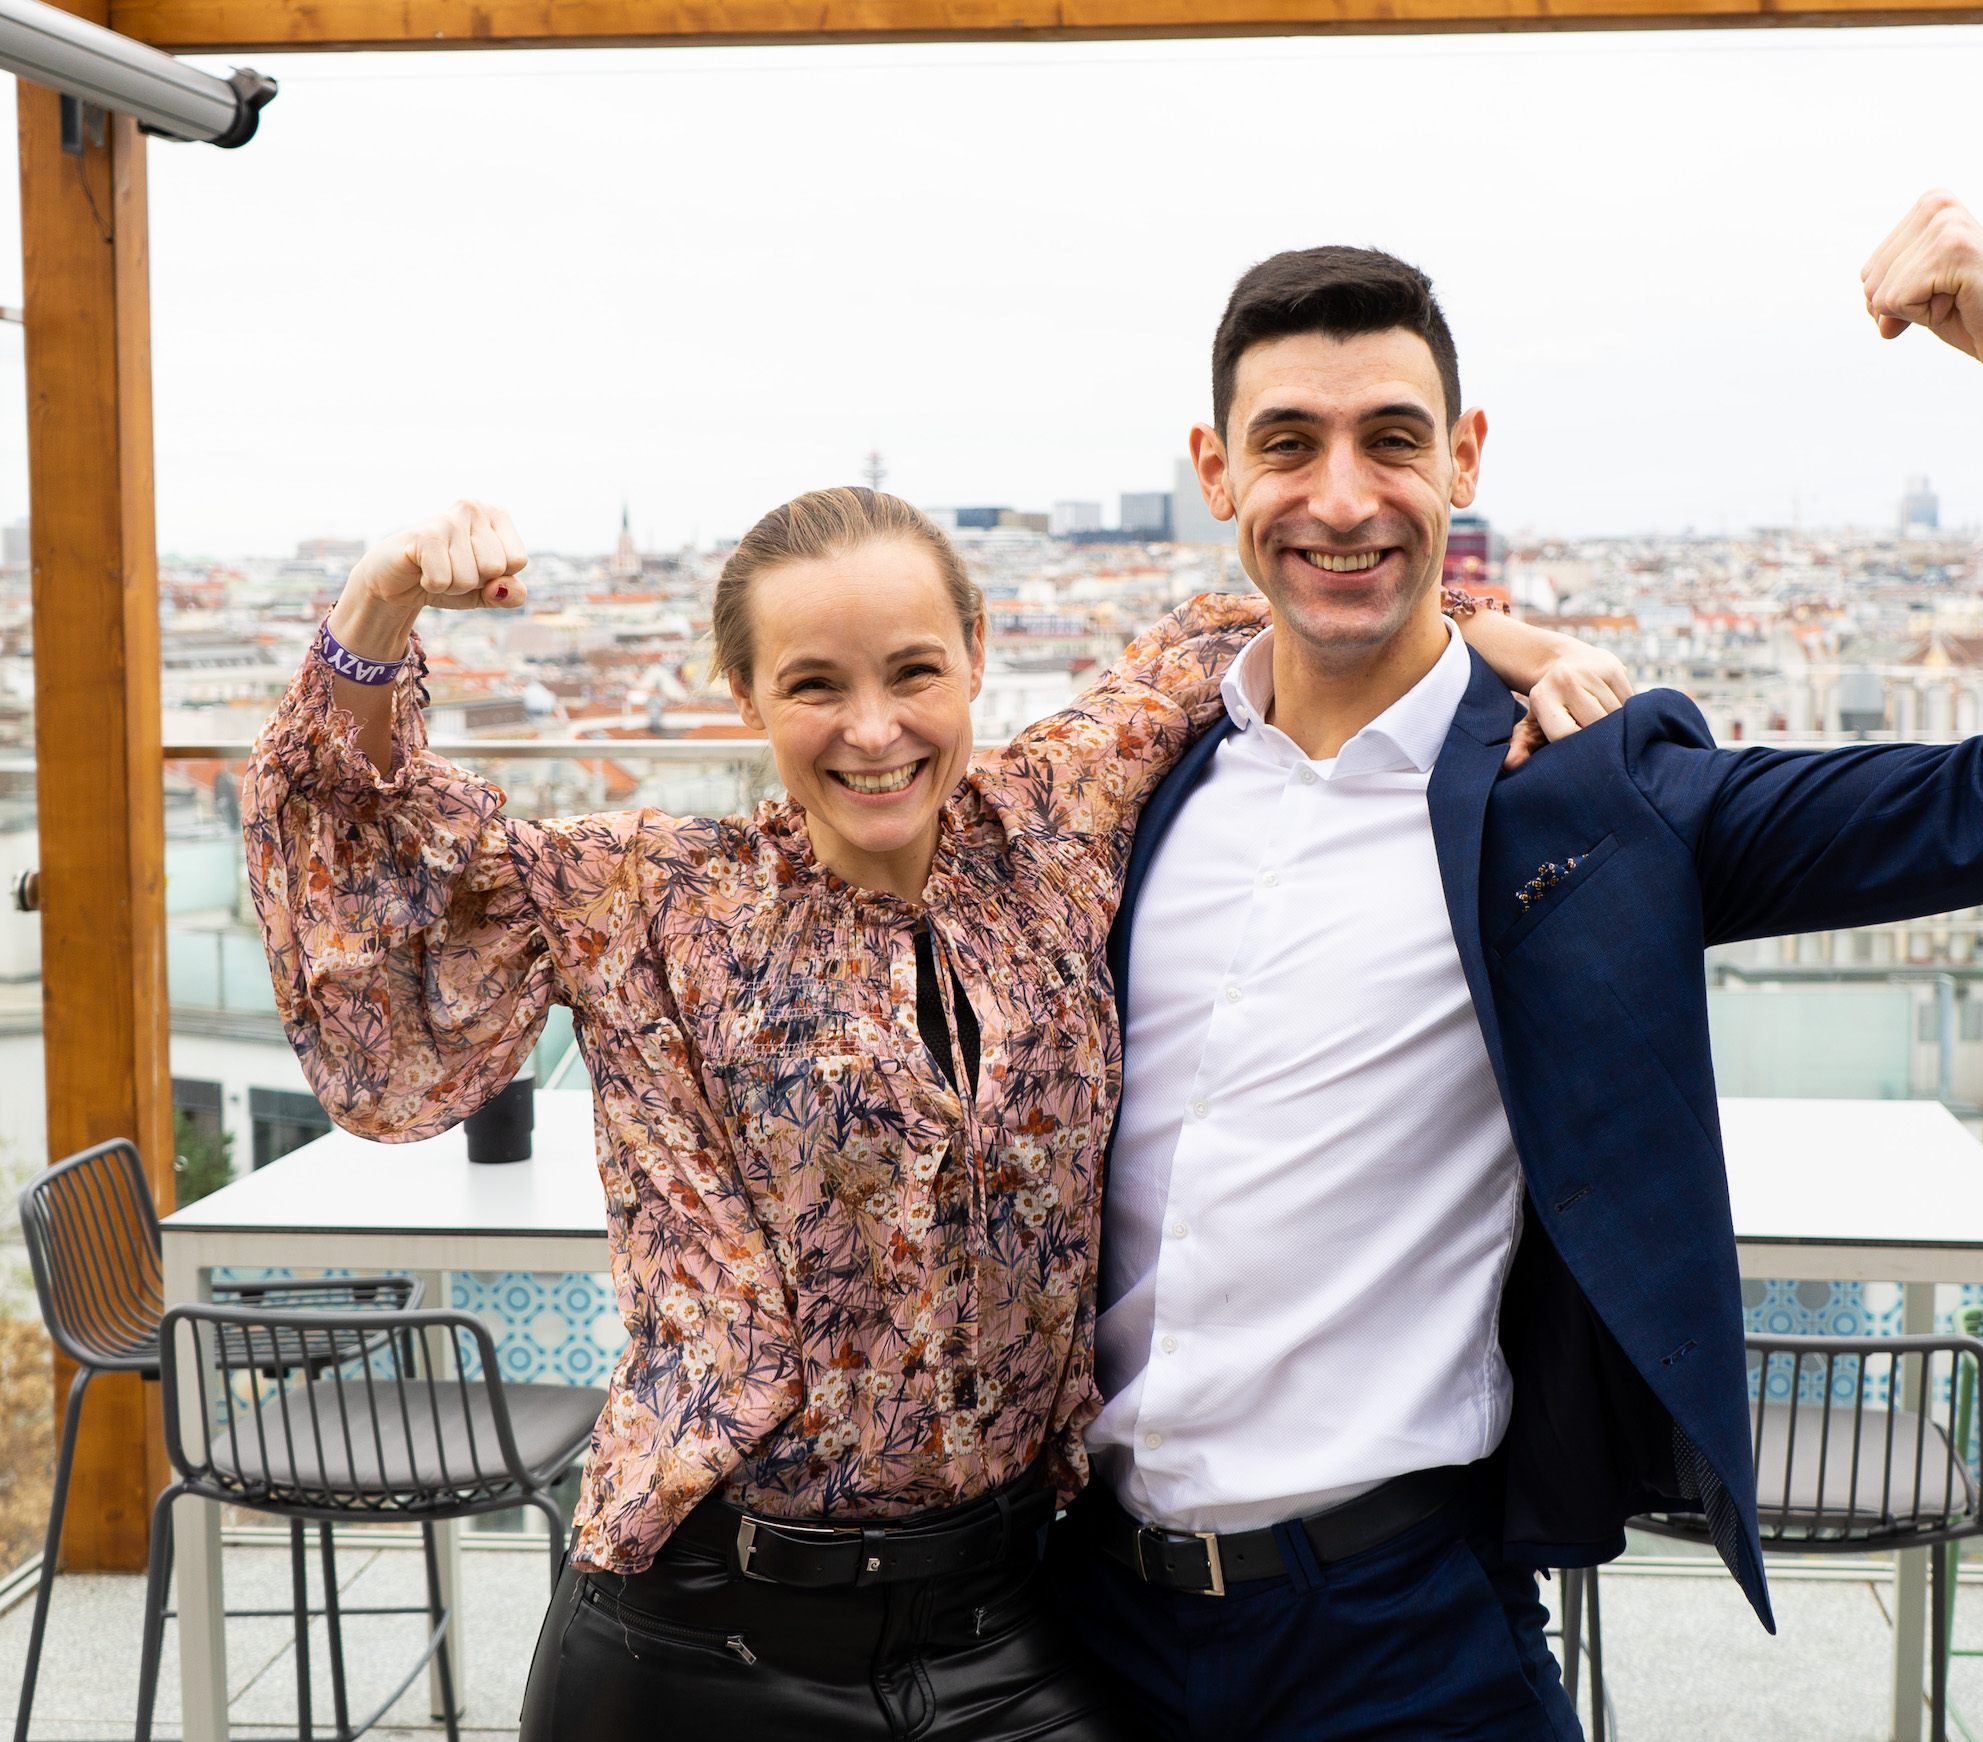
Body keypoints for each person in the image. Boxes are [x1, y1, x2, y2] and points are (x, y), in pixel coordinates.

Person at [1045, 193, 1983, 1741]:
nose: (1340, 493)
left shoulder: (1584, 795)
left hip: (1395, 1628)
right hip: (1077, 1617)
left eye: (1391, 437)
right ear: (1213, 469)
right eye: (1288, 442)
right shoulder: (1129, 783)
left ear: (1465, 456)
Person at [242, 484, 1626, 1739]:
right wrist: (380, 601)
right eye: (813, 685)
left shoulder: (1053, 821)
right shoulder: (647, 894)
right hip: (697, 1631)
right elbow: (361, 894)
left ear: (975, 653)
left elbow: (1266, 629)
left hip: (1001, 1619)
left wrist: (1498, 641)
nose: (872, 727)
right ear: (742, 694)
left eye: (913, 671)